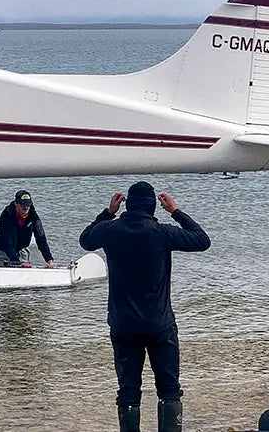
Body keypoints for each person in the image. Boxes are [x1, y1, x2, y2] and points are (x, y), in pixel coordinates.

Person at [79, 182, 210, 432]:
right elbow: (202, 240)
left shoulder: (109, 230)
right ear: (152, 207)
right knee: (169, 390)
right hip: (159, 324)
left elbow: (86, 240)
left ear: (127, 204)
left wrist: (108, 213)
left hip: (123, 324)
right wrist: (175, 211)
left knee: (128, 391)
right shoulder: (161, 232)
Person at [0, 190, 55, 268]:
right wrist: (17, 263)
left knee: (24, 269)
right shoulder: (7, 215)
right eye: (23, 204)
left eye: (28, 204)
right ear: (16, 204)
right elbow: (7, 242)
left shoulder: (33, 216)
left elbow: (41, 238)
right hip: (3, 249)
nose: (26, 207)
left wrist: (49, 260)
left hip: (21, 249)